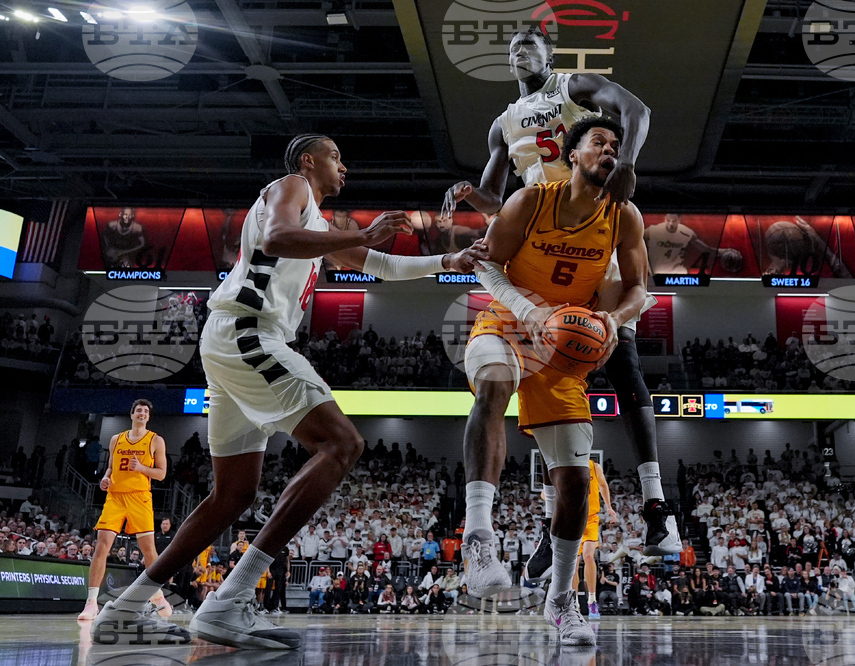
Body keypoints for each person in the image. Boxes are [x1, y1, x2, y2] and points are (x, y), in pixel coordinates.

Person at [91, 134, 483, 649]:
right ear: (308, 161)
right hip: (250, 333)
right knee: (343, 444)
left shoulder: (316, 225)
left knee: (232, 495)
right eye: (336, 156)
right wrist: (364, 232)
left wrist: (447, 262)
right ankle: (230, 598)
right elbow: (277, 238)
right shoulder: (292, 186)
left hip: (235, 340)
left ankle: (124, 610)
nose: (344, 166)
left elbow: (382, 266)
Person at [445, 27, 680, 581]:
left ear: (550, 54)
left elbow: (637, 111)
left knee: (619, 355)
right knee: (546, 382)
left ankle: (656, 505)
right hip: (541, 234)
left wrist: (626, 164)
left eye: (530, 44)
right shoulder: (503, 123)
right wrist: (471, 196)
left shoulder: (573, 87)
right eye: (512, 48)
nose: (519, 51)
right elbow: (496, 199)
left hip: (595, 229)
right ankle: (549, 525)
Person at [461, 116, 648, 647]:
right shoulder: (530, 200)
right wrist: (530, 310)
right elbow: (485, 266)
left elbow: (639, 289)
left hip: (566, 347)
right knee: (493, 386)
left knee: (575, 484)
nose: (609, 150)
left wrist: (612, 320)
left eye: (616, 145)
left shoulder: (624, 215)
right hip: (508, 322)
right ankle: (479, 536)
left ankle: (561, 599)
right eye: (598, 143)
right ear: (572, 155)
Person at [78, 399, 171, 622]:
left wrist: (141, 468)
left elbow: (161, 474)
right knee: (101, 546)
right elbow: (110, 467)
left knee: (149, 551)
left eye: (146, 411)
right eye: (138, 410)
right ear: (132, 415)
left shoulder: (155, 440)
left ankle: (157, 595)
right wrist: (105, 478)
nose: (142, 413)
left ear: (148, 417)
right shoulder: (116, 439)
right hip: (115, 498)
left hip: (140, 498)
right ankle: (91, 603)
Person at [572, 458, 617, 619]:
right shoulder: (567, 465)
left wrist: (609, 506)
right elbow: (546, 492)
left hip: (590, 519)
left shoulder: (594, 466)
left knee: (589, 556)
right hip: (572, 519)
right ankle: (574, 603)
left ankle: (592, 600)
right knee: (573, 563)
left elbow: (603, 485)